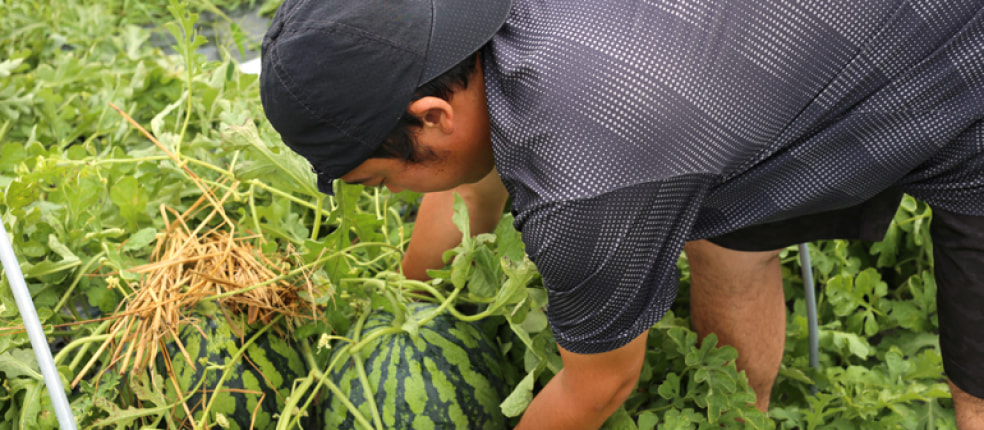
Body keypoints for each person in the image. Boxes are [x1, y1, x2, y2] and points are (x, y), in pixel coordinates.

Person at [259, 0, 984, 428]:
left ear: (433, 115)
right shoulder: (471, 35)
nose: (391, 196)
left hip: (957, 49)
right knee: (722, 224)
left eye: (381, 182)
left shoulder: (583, 187)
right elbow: (469, 181)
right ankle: (737, 413)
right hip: (770, 48)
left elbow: (599, 382)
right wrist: (411, 312)